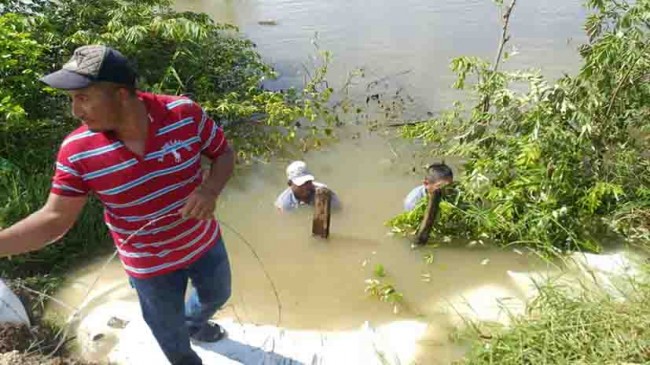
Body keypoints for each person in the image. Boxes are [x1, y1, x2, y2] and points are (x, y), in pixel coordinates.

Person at [0, 45, 235, 365]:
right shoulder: (77, 151)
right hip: (148, 266)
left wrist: (210, 190)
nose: (75, 111)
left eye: (82, 97)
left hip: (204, 242)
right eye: (72, 100)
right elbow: (54, 219)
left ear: (121, 94)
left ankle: (194, 323)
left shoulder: (184, 114)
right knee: (168, 334)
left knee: (217, 294)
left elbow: (223, 153)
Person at [274, 160, 340, 212]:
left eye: (308, 182)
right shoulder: (283, 203)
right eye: (301, 184)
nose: (306, 187)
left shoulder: (325, 194)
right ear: (290, 184)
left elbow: (338, 210)